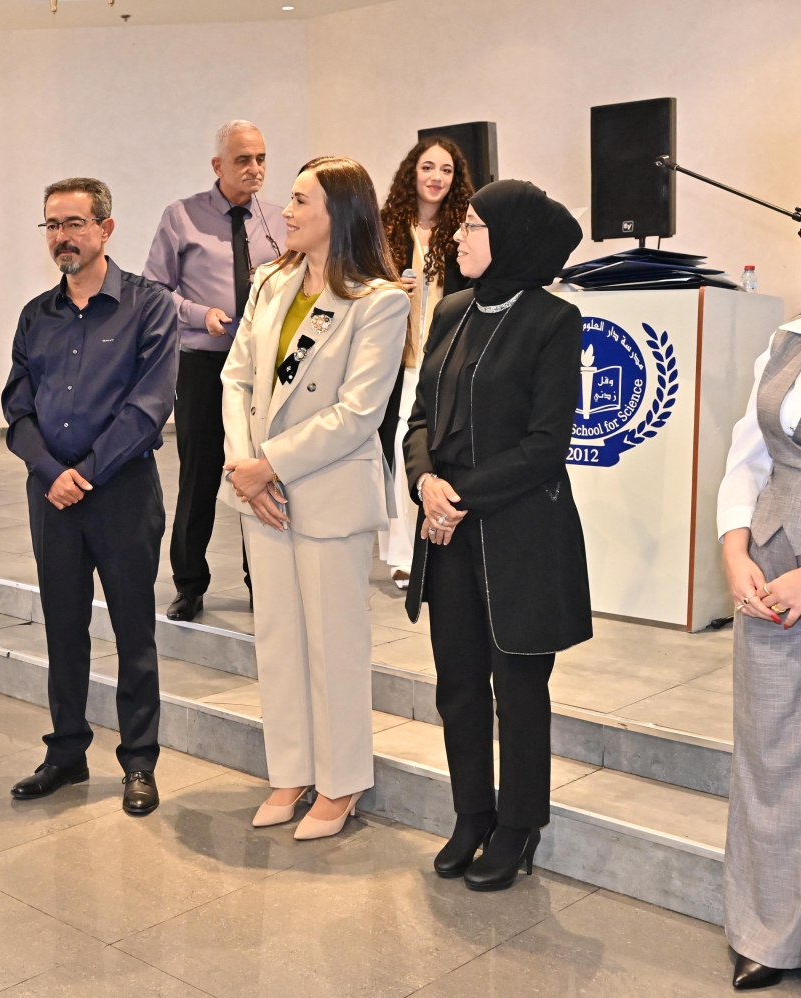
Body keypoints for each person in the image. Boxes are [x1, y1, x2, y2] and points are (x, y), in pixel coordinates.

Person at [403, 179, 589, 890]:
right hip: (447, 527)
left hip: (518, 532)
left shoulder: (553, 319)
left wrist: (459, 496)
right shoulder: (452, 311)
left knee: (519, 688)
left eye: (473, 226)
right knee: (457, 684)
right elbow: (420, 418)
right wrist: (426, 482)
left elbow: (547, 444)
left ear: (509, 237)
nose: (458, 235)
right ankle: (472, 814)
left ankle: (518, 826)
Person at [220, 156, 409, 840]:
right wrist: (244, 466)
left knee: (334, 646)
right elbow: (236, 378)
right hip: (262, 493)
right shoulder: (270, 282)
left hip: (326, 492)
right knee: (278, 641)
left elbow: (358, 413)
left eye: (301, 201)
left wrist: (268, 465)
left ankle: (342, 781)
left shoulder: (379, 301)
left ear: (340, 212)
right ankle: (292, 770)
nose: (286, 211)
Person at [1, 177, 179, 816]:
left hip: (122, 491)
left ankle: (139, 761)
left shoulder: (149, 306)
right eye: (52, 225)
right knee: (63, 626)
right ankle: (66, 753)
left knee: (133, 630)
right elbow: (16, 407)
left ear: (105, 228)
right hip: (52, 497)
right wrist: (50, 472)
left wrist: (87, 474)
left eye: (74, 223)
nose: (62, 237)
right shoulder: (35, 316)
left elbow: (149, 406)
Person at [717, 195, 801, 997]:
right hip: (771, 563)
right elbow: (747, 458)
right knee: (770, 751)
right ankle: (766, 931)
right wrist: (734, 551)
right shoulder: (793, 337)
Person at [144, 120, 287, 621]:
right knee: (200, 475)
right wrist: (198, 314)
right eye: (243, 159)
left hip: (264, 368)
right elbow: (154, 290)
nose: (255, 168)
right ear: (218, 165)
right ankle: (189, 584)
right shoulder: (182, 217)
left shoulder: (279, 220)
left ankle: (261, 581)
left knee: (260, 471)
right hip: (204, 363)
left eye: (261, 159)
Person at [376, 137, 474, 589]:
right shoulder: (386, 229)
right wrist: (387, 288)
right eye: (428, 167)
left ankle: (438, 539)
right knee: (400, 451)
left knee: (439, 453)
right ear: (411, 173)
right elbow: (357, 283)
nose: (437, 177)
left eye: (446, 170)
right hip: (399, 361)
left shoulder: (463, 232)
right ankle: (401, 555)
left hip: (448, 358)